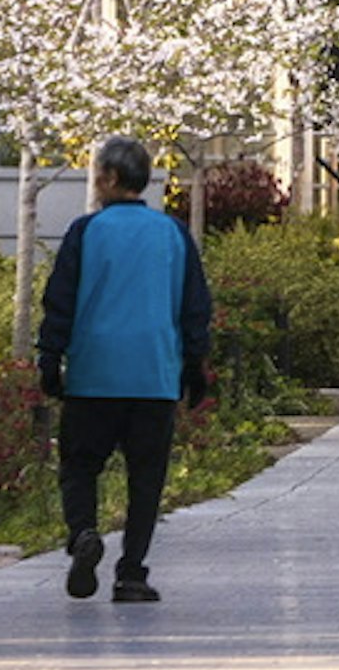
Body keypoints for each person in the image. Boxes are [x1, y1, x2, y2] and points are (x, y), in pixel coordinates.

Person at [32, 135, 213, 601]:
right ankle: (131, 572)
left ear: (110, 178)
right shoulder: (173, 233)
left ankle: (84, 534)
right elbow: (195, 306)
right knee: (145, 479)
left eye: (96, 175)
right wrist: (195, 368)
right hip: (154, 376)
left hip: (94, 373)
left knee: (79, 465)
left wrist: (49, 361)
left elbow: (60, 304)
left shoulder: (84, 232)